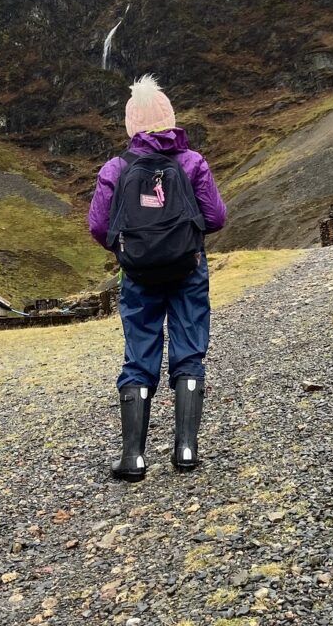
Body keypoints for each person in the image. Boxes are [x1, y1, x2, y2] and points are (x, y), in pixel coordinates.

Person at [88, 74, 227, 481]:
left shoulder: (116, 168)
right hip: (188, 269)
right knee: (188, 350)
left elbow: (99, 226)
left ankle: (133, 458)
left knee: (139, 355)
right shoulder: (192, 162)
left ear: (132, 125)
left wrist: (133, 250)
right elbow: (216, 217)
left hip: (138, 276)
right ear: (169, 119)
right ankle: (185, 449)